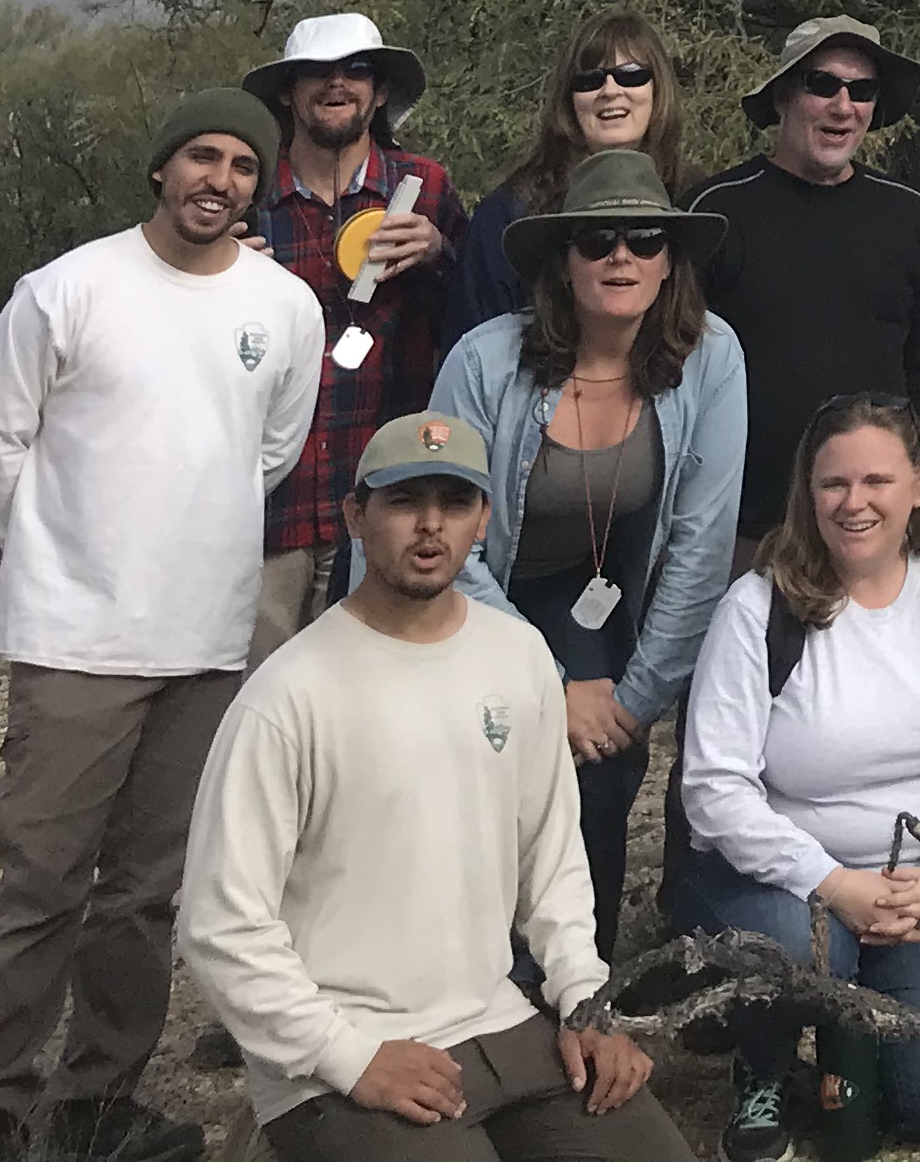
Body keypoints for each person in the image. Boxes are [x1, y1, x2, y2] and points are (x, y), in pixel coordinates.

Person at [0, 89, 319, 1162]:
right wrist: (70, 553)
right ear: (160, 169)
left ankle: (97, 1098)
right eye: (201, 157)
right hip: (76, 644)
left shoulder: (283, 305)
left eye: (243, 167)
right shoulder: (69, 291)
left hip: (204, 640)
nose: (220, 181)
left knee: (145, 894)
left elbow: (269, 453)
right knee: (42, 884)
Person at [176, 412, 685, 1162]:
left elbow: (550, 858)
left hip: (498, 1020)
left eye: (453, 503)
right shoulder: (287, 696)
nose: (429, 526)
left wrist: (585, 999)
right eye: (404, 501)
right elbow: (219, 923)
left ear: (484, 519)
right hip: (345, 1047)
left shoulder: (518, 657)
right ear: (356, 515)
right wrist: (346, 1055)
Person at [671, 396, 920, 1162]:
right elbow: (713, 790)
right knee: (801, 952)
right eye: (834, 483)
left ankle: (854, 1037)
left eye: (877, 480)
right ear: (808, 490)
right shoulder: (760, 606)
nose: (854, 502)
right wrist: (833, 883)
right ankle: (765, 1063)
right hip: (779, 880)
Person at [422, 150, 749, 957]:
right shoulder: (483, 362)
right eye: (598, 239)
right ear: (562, 263)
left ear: (670, 261)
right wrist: (551, 684)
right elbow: (441, 534)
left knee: (600, 773)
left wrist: (631, 704)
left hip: (589, 585)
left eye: (644, 239)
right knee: (484, 762)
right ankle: (459, 967)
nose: (621, 257)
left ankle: (576, 983)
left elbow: (702, 550)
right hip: (469, 593)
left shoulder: (711, 358)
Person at [691, 16, 920, 560]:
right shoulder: (715, 213)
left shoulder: (910, 218)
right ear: (784, 94)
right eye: (823, 84)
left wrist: (915, 497)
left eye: (862, 91)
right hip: (738, 531)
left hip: (869, 529)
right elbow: (672, 368)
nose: (843, 105)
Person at [245, 14, 465, 657]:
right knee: (258, 701)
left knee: (378, 698)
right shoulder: (246, 195)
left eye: (356, 70)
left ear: (380, 90)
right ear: (289, 90)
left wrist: (440, 253)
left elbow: (478, 329)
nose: (336, 83)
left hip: (385, 499)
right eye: (317, 71)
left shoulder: (426, 190)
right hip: (269, 509)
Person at [457, 15, 692, 342]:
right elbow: (473, 346)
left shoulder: (693, 201)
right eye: (589, 80)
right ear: (569, 98)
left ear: (658, 89)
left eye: (631, 75)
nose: (610, 91)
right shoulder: (511, 211)